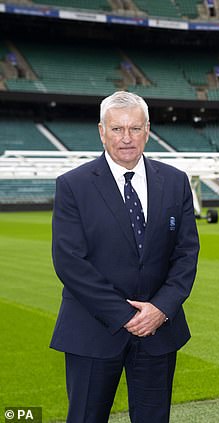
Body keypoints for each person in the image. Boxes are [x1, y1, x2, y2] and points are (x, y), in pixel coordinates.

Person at [50, 91, 199, 423]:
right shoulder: (73, 185)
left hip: (159, 332)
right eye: (117, 129)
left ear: (148, 130)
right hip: (92, 331)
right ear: (102, 131)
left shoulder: (175, 182)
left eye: (135, 128)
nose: (127, 138)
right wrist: (125, 315)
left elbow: (187, 253)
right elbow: (69, 261)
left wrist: (161, 308)